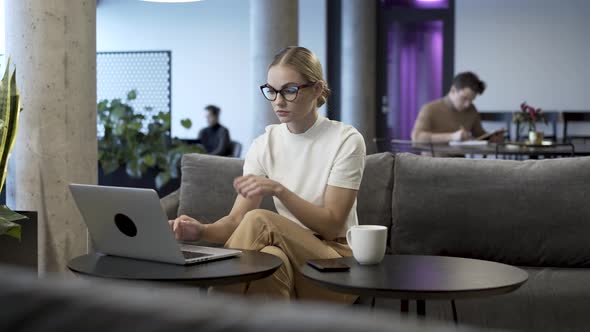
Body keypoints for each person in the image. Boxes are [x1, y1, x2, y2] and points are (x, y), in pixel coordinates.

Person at [169, 46, 366, 303]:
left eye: (290, 90)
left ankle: (208, 315)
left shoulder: (346, 140)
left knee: (260, 218)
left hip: (336, 267)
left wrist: (278, 189)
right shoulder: (264, 144)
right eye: (272, 91)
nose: (278, 101)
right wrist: (201, 231)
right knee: (272, 258)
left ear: (317, 89)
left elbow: (331, 225)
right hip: (290, 257)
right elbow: (236, 221)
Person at [411, 71, 504, 143]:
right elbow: (416, 137)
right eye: (464, 98)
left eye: (471, 100)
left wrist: (492, 138)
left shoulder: (472, 110)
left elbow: (479, 134)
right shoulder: (429, 109)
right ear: (453, 90)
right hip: (432, 162)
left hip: (461, 162)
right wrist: (452, 137)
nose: (468, 104)